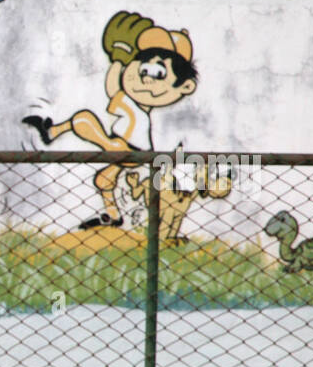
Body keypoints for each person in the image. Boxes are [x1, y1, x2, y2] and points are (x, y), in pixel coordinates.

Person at [22, 12, 197, 229]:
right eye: (143, 69)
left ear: (185, 87)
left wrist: (118, 58)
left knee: (83, 120)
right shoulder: (135, 102)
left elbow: (112, 87)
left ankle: (51, 133)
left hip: (130, 149)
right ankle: (113, 216)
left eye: (157, 73)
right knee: (104, 180)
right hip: (129, 148)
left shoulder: (135, 103)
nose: (146, 78)